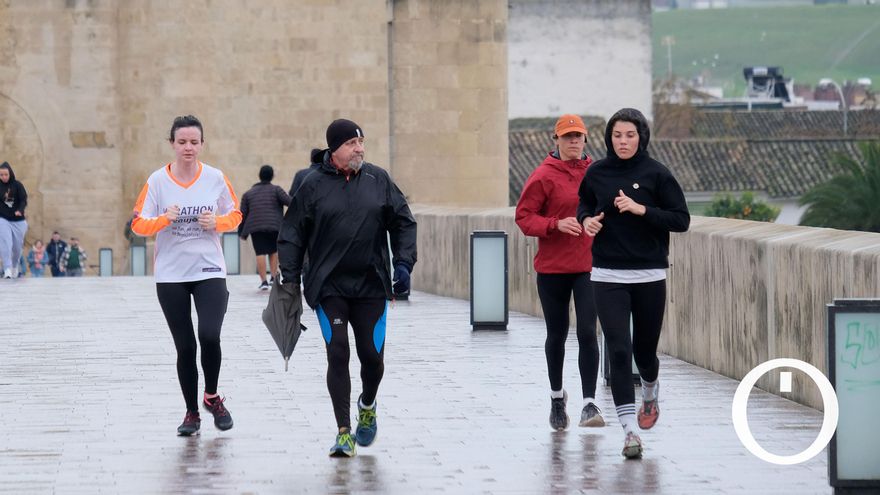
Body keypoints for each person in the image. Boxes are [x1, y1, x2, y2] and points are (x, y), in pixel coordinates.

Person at [278, 118, 417, 457]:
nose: (360, 149)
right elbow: (292, 233)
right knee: (338, 352)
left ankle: (367, 405)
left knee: (372, 358)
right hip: (329, 286)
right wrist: (290, 279)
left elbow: (403, 221)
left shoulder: (378, 179)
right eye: (352, 144)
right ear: (334, 149)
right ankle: (343, 432)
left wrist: (403, 263)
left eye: (361, 142)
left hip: (372, 284)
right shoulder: (312, 185)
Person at [577, 108, 690, 459]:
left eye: (629, 135)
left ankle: (651, 391)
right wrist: (586, 221)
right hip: (607, 274)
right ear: (608, 138)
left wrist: (642, 210)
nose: (623, 141)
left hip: (649, 275)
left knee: (644, 353)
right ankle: (629, 432)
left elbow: (681, 219)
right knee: (619, 351)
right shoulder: (596, 173)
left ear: (641, 137)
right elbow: (584, 205)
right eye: (617, 135)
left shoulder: (658, 174)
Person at [130, 115, 242, 436]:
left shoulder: (215, 177)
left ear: (202, 144)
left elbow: (236, 214)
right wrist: (163, 219)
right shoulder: (157, 181)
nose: (188, 148)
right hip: (171, 275)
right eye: (182, 142)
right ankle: (192, 413)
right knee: (186, 347)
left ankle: (212, 396)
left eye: (194, 142)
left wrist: (217, 222)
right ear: (172, 144)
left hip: (209, 269)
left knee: (209, 334)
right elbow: (138, 224)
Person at [515, 114, 604, 432]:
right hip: (553, 268)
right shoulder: (543, 175)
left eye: (578, 136)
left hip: (588, 266)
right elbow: (524, 217)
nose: (573, 141)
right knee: (557, 333)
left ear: (585, 139)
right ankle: (556, 398)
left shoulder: (597, 173)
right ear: (556, 140)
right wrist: (555, 224)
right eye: (567, 136)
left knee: (587, 332)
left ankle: (589, 403)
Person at [238, 164, 291, 290]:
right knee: (273, 251)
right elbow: (290, 202)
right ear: (272, 176)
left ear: (259, 176)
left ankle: (264, 282)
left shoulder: (248, 194)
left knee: (260, 252)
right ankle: (273, 277)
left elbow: (242, 214)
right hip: (274, 226)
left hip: (256, 227)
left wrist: (241, 231)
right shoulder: (276, 190)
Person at [0, 161, 28, 279]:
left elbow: (23, 200)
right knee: (6, 243)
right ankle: (7, 269)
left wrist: (20, 210)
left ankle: (15, 266)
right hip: (3, 219)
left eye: (6, 174)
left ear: (10, 173)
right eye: (1, 175)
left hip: (18, 221)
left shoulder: (17, 185)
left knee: (17, 248)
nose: (4, 177)